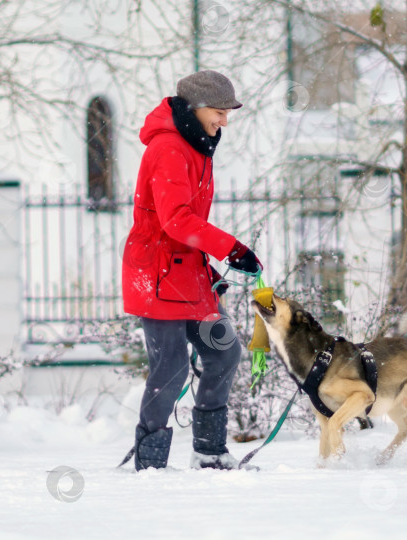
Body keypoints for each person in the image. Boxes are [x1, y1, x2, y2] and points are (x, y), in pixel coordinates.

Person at [122, 70, 262, 471]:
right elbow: (176, 220)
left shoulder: (196, 144)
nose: (224, 121)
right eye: (219, 112)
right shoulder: (169, 148)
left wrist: (213, 263)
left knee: (223, 352)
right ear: (198, 108)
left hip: (187, 272)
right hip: (157, 274)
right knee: (171, 367)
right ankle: (150, 462)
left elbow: (187, 226)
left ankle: (209, 450)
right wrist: (230, 249)